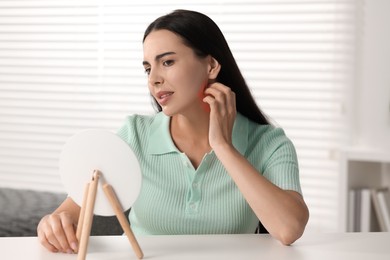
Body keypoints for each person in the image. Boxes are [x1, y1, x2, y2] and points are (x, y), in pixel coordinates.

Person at [37, 9, 309, 253]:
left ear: (212, 65)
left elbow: (289, 229)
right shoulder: (135, 134)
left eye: (167, 62)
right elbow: (69, 213)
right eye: (147, 68)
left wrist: (224, 147)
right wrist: (53, 224)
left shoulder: (269, 143)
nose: (154, 79)